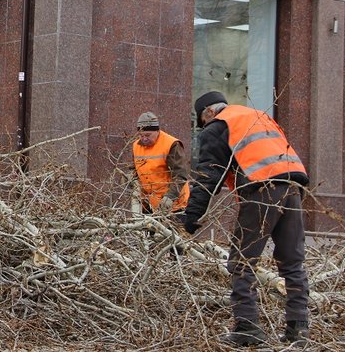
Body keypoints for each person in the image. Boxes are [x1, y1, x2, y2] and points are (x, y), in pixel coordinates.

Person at [184, 91, 310, 346]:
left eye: (202, 121)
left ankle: (247, 327)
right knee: (292, 263)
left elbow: (208, 177)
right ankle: (299, 329)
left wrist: (191, 216)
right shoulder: (258, 117)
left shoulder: (219, 126)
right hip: (292, 188)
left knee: (242, 262)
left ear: (208, 112)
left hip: (262, 191)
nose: (204, 128)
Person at [132, 111, 190, 215]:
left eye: (148, 135)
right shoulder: (136, 146)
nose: (144, 139)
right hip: (149, 205)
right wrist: (129, 177)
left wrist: (170, 197)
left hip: (174, 206)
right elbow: (134, 169)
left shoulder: (171, 144)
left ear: (157, 131)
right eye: (141, 135)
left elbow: (180, 176)